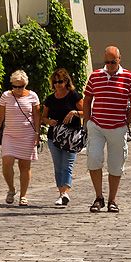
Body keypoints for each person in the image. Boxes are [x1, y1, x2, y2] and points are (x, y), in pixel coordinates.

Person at [84, 46, 131, 213]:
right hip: (97, 125)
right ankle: (98, 197)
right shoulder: (95, 76)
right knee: (93, 159)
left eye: (113, 62)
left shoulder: (129, 77)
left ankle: (112, 200)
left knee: (116, 164)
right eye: (107, 62)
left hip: (117, 127)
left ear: (119, 59)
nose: (109, 65)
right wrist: (87, 121)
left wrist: (127, 121)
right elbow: (87, 99)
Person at [0, 70, 41, 206]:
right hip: (10, 135)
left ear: (26, 85)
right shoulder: (6, 96)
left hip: (27, 134)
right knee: (7, 162)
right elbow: (0, 117)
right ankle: (11, 189)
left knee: (24, 166)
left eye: (21, 86)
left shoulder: (33, 96)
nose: (18, 89)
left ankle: (23, 195)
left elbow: (37, 116)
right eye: (15, 86)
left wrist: (37, 133)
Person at [40, 69, 83, 207]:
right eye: (55, 82)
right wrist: (48, 122)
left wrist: (75, 112)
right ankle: (61, 193)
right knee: (58, 166)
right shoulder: (50, 99)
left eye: (60, 81)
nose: (58, 84)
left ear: (66, 82)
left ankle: (64, 193)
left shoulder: (74, 96)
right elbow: (43, 117)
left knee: (67, 165)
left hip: (71, 137)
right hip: (54, 137)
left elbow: (86, 112)